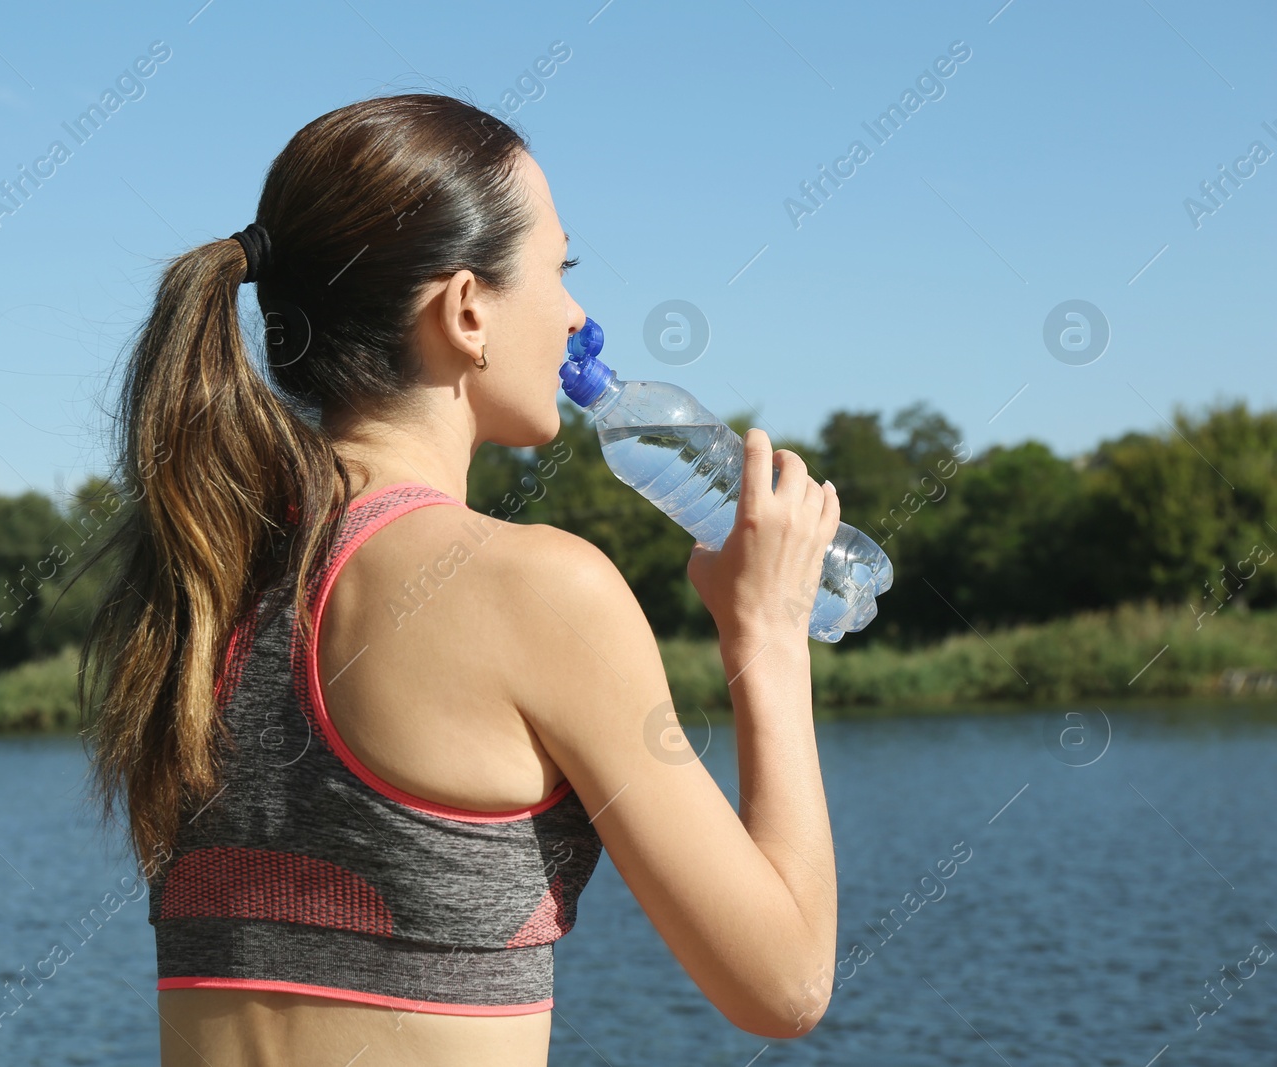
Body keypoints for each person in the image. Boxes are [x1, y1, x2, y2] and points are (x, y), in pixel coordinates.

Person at [79, 92, 841, 1067]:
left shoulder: (198, 580)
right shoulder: (537, 589)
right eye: (560, 270)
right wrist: (768, 636)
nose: (574, 313)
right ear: (467, 308)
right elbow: (783, 983)